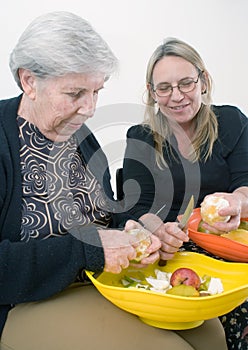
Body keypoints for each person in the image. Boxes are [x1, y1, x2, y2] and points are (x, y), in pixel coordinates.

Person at [0, 13, 227, 350]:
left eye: (97, 91)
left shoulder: (80, 135)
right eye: (76, 93)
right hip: (27, 301)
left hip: (102, 283)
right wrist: (88, 250)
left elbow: (107, 217)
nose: (90, 108)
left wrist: (144, 230)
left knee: (210, 334)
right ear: (30, 81)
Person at [121, 37, 248, 349]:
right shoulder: (140, 137)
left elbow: (245, 183)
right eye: (164, 87)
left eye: (186, 83)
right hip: (171, 252)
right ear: (152, 93)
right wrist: (157, 229)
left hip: (229, 245)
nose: (176, 96)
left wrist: (237, 201)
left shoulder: (231, 121)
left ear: (203, 81)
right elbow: (136, 208)